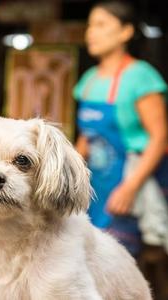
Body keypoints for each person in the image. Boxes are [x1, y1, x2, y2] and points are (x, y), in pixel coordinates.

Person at [74, 0, 168, 256]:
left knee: (115, 259)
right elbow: (87, 138)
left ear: (126, 32)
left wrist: (130, 187)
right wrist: (69, 171)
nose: (91, 32)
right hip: (97, 186)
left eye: (101, 24)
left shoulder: (141, 76)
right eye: (90, 25)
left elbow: (159, 138)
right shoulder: (89, 80)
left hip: (131, 181)